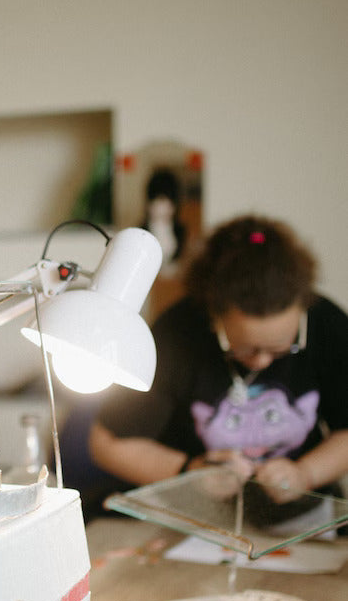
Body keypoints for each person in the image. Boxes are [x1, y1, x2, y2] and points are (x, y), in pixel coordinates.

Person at [89, 214, 348, 522]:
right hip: (194, 522)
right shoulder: (178, 332)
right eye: (245, 348)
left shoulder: (327, 325)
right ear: (213, 317)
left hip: (303, 522)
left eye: (280, 348)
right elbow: (107, 443)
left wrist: (305, 473)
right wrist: (190, 472)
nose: (263, 361)